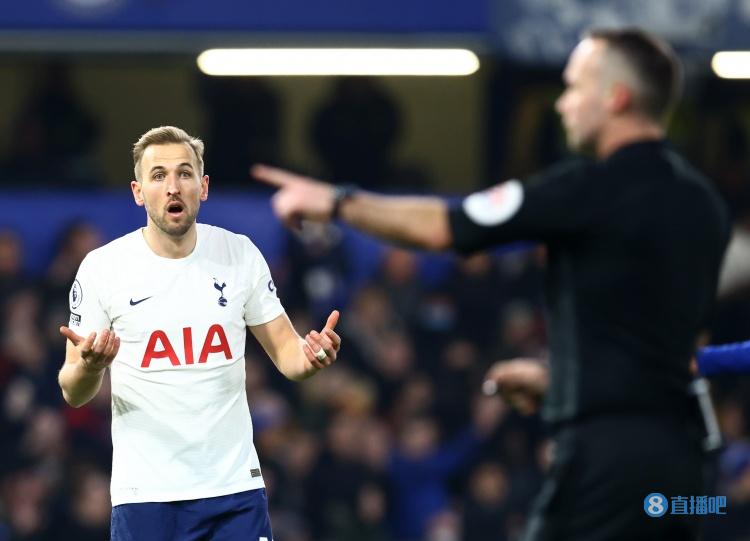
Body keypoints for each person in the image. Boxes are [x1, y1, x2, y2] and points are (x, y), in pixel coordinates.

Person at [253, 28, 730, 540]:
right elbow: (668, 350)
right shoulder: (704, 204)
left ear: (616, 98)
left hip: (606, 465)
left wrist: (337, 201)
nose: (564, 104)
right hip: (684, 472)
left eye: (574, 87)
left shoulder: (585, 189)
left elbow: (444, 227)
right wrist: (558, 381)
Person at [58, 125, 342, 541]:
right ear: (138, 192)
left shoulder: (238, 254)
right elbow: (72, 390)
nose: (173, 186)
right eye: (158, 176)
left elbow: (289, 355)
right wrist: (89, 366)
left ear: (203, 186)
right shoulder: (104, 268)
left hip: (234, 491)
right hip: (147, 494)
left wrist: (313, 356)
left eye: (184, 173)